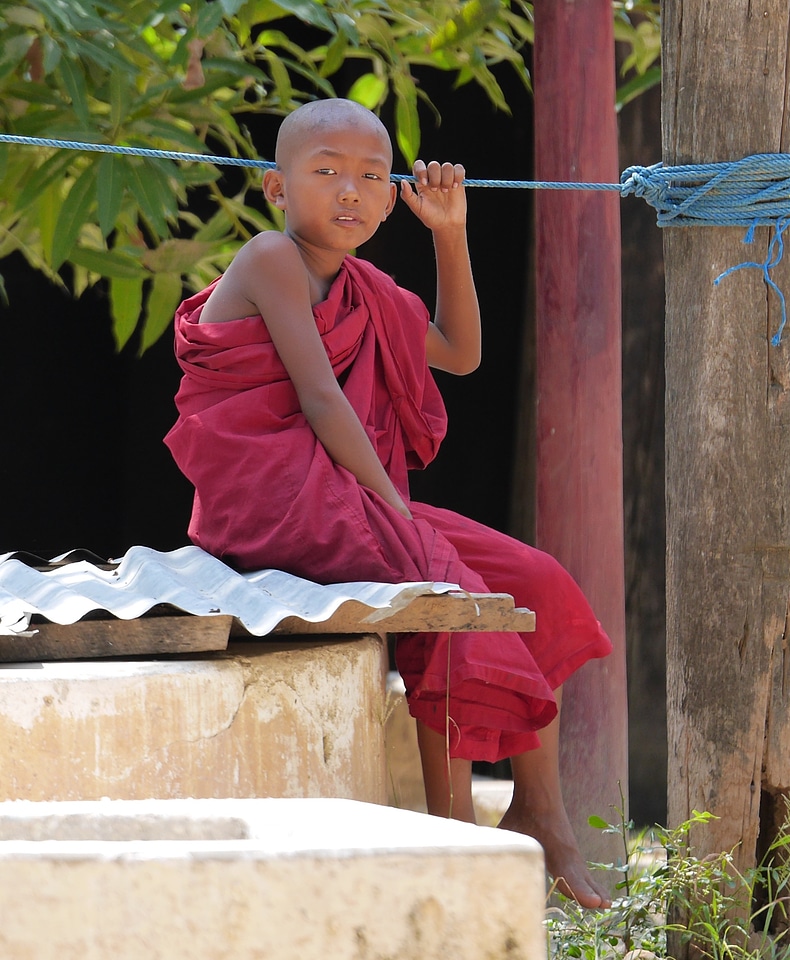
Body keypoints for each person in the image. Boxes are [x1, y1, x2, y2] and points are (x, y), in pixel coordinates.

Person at [164, 98, 613, 908]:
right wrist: (398, 517)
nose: (351, 192)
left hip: (348, 494)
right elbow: (322, 399)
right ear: (276, 187)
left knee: (537, 581)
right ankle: (448, 843)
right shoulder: (271, 257)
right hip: (277, 508)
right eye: (326, 171)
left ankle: (542, 810)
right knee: (444, 593)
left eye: (373, 176)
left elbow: (462, 353)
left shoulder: (366, 288)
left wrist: (449, 231)